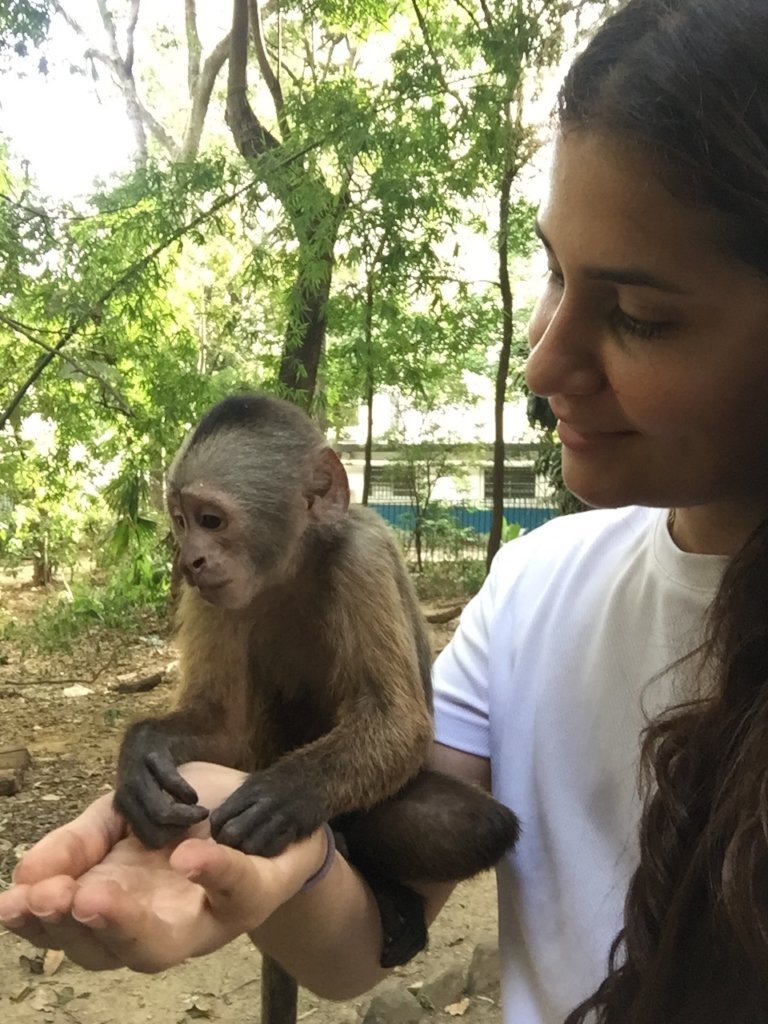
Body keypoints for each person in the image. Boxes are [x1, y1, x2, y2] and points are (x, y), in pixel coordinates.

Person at [3, 0, 768, 1018]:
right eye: (548, 269)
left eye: (638, 314)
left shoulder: (360, 560)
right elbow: (358, 941)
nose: (541, 361)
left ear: (323, 492)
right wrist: (248, 845)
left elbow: (390, 738)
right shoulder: (531, 594)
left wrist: (300, 797)